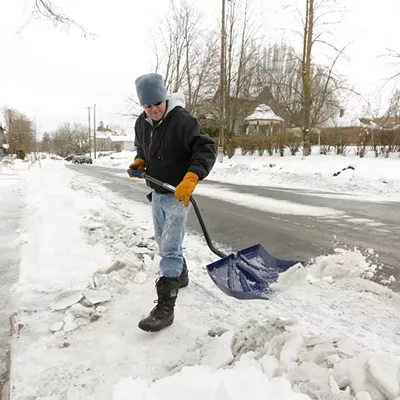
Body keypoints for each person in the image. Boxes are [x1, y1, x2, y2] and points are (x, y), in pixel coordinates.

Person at [128, 73, 217, 332]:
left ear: (165, 97)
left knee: (168, 247)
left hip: (179, 194)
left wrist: (191, 177)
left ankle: (165, 308)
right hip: (157, 191)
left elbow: (206, 149)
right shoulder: (141, 123)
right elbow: (142, 148)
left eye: (157, 103)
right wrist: (140, 162)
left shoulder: (182, 120)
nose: (154, 109)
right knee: (164, 240)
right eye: (148, 105)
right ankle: (181, 274)